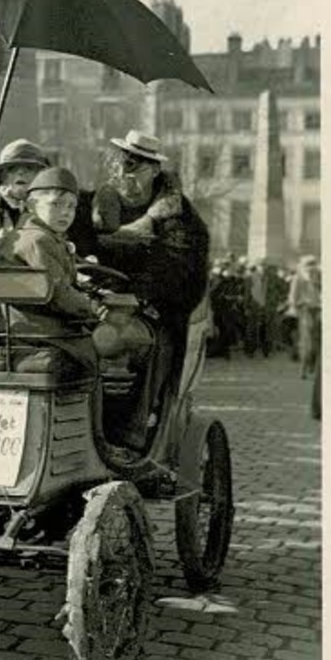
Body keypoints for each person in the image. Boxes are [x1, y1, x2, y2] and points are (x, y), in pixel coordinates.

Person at [92, 130, 210, 446]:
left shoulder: (178, 215)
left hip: (158, 306)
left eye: (133, 166)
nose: (122, 172)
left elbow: (178, 266)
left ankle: (134, 432)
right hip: (97, 300)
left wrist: (140, 297)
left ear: (154, 170)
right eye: (118, 165)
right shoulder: (97, 202)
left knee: (147, 344)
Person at [0, 166, 100, 370]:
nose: (65, 212)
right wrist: (92, 308)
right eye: (56, 204)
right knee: (106, 351)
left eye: (71, 207)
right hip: (39, 332)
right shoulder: (37, 240)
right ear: (31, 205)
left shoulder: (40, 236)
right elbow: (57, 291)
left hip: (32, 326)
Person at [0, 138, 51, 252]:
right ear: (3, 177)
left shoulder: (56, 206)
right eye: (12, 168)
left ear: (41, 176)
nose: (20, 172)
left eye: (29, 168)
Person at [289, 254, 322, 378]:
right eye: (308, 265)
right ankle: (303, 369)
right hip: (305, 309)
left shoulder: (319, 277)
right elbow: (293, 295)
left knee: (316, 340)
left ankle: (312, 363)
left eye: (313, 265)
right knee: (306, 340)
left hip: (318, 309)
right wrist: (294, 307)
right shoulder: (298, 279)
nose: (311, 268)